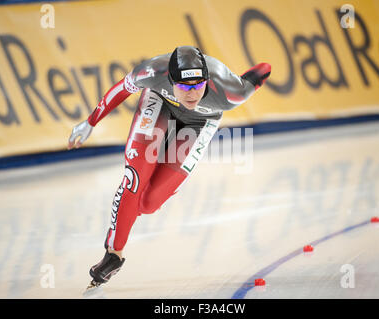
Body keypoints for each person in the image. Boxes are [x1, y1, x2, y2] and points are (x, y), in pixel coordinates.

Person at [67, 46, 271, 288]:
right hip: (159, 104)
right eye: (184, 86)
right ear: (170, 80)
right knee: (135, 179)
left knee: (148, 202)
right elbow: (121, 89)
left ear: (207, 80)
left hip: (199, 123)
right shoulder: (152, 71)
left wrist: (258, 71)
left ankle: (127, 213)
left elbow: (262, 71)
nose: (192, 93)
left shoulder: (230, 92)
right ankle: (114, 254)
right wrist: (90, 122)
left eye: (198, 85)